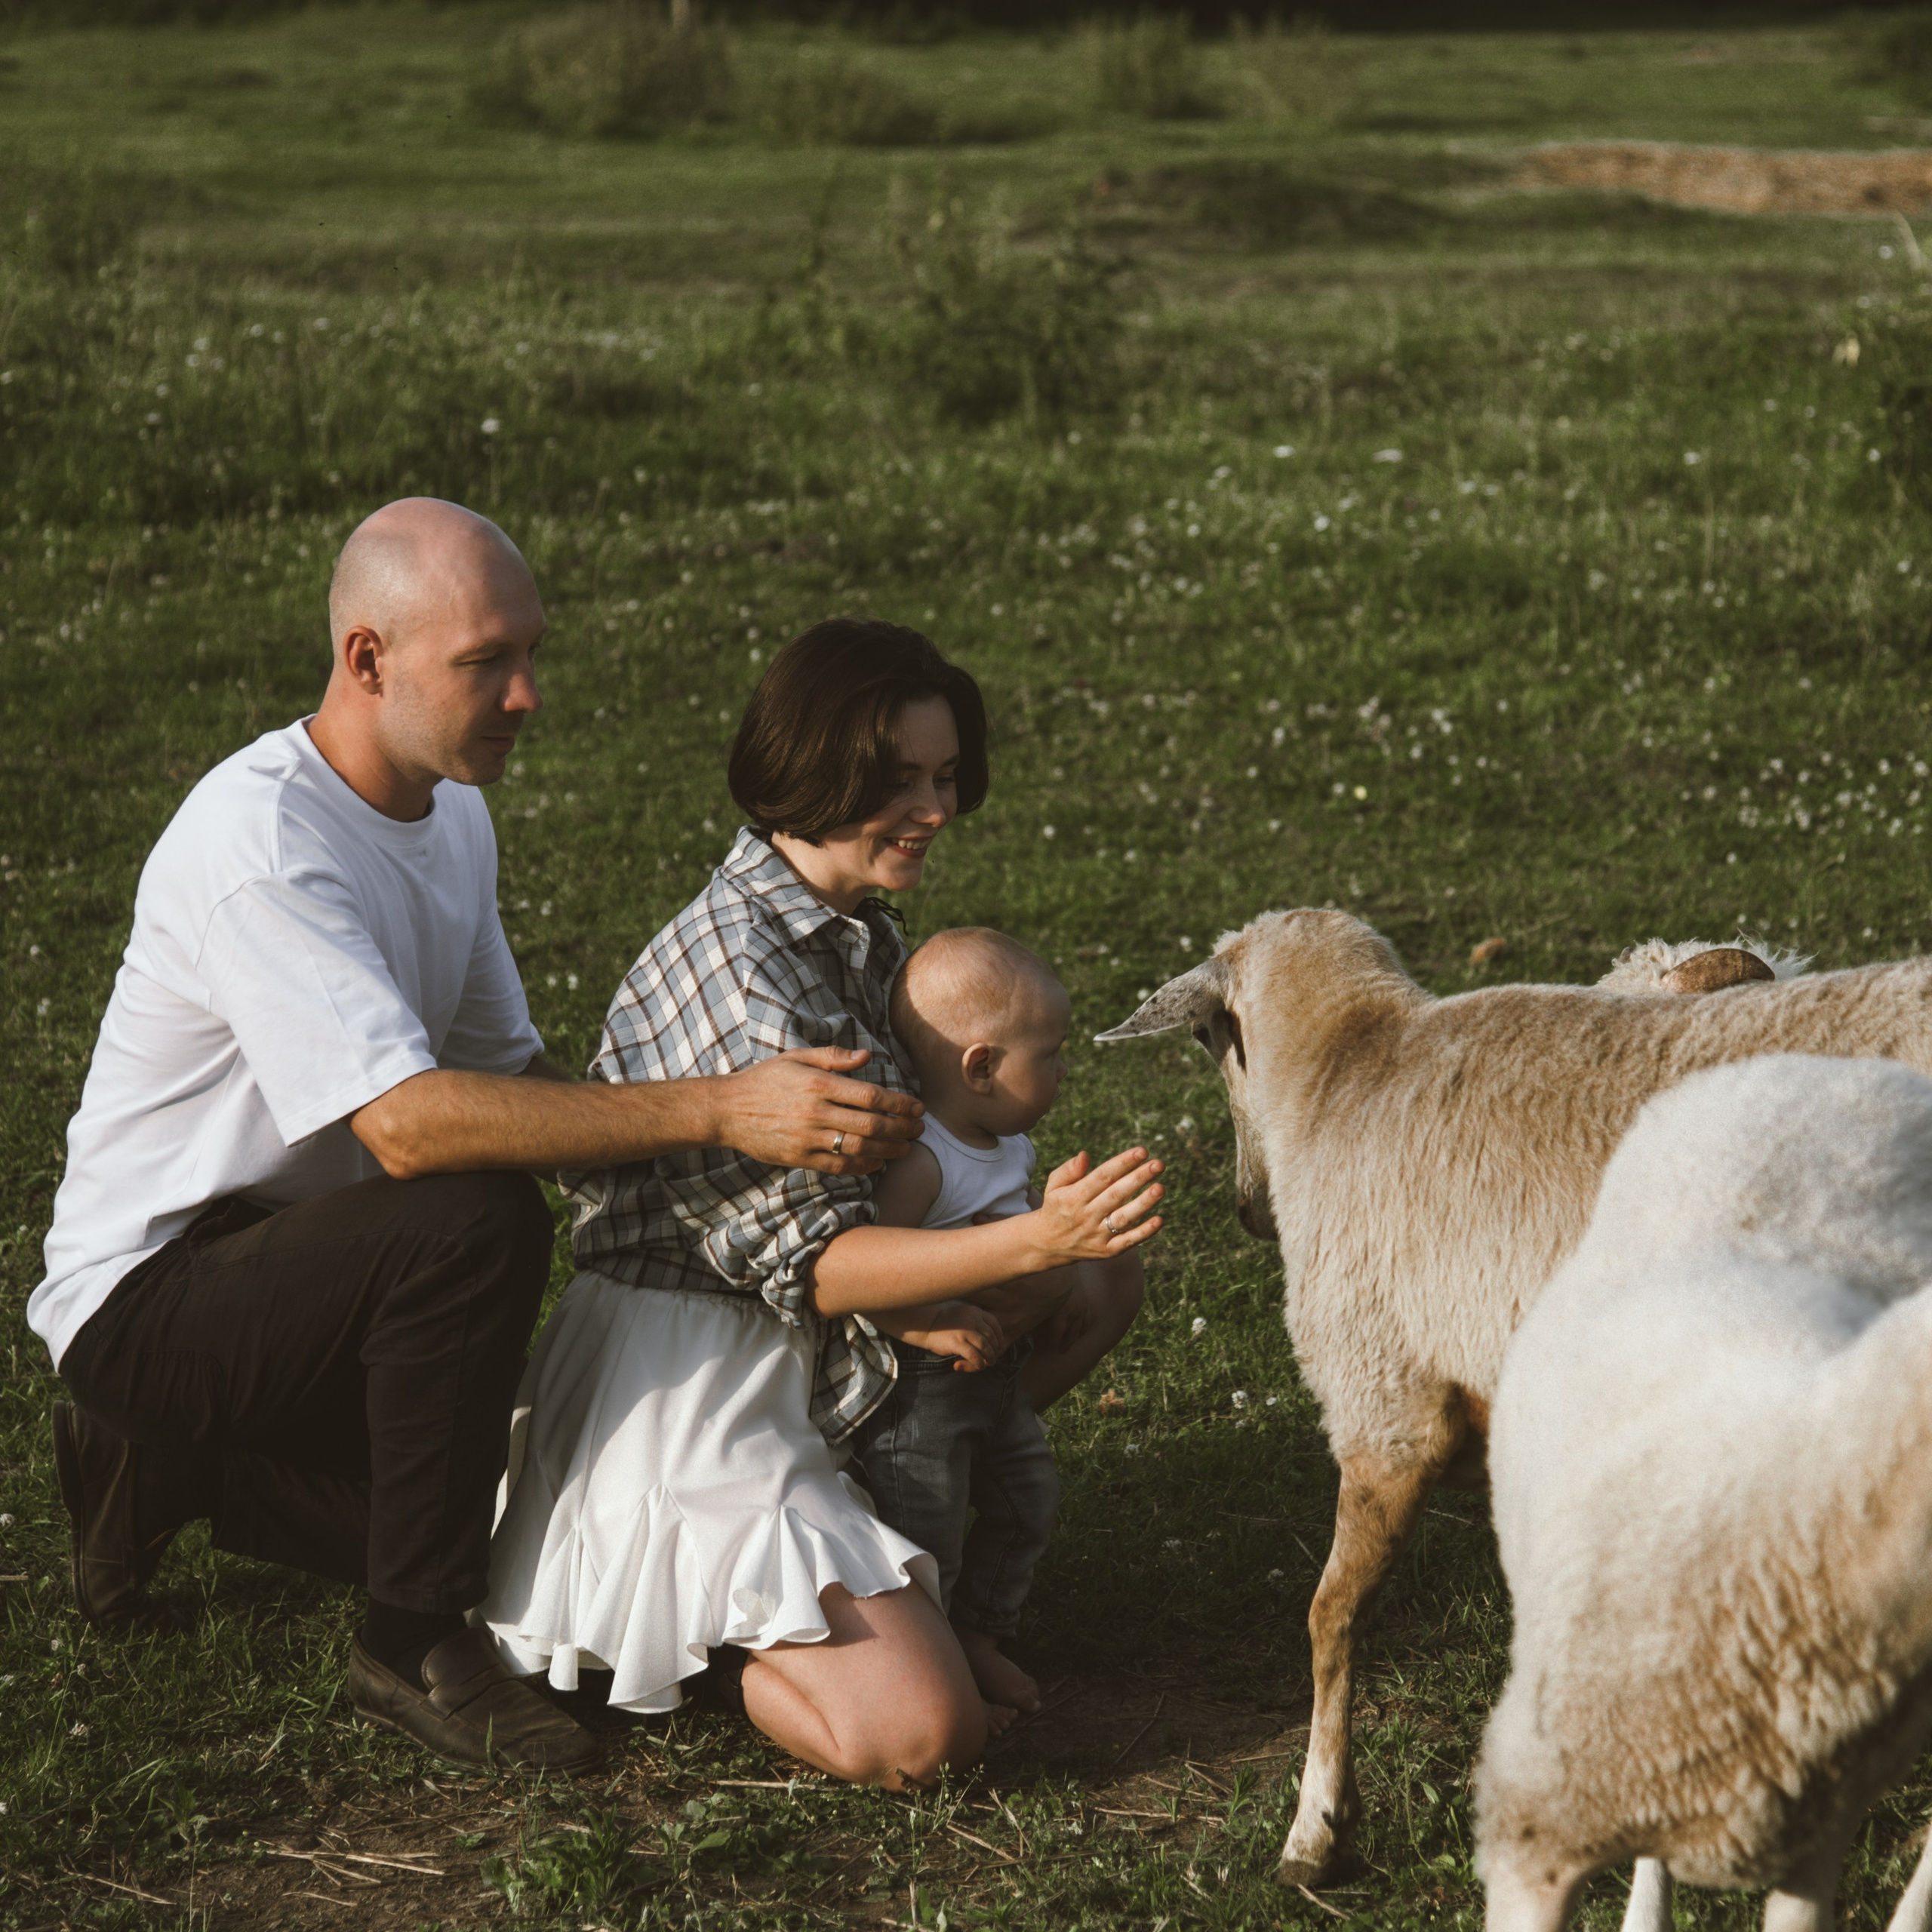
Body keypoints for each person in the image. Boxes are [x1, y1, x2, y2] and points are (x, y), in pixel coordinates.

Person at [29, 499, 923, 1774]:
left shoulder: (450, 813)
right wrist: (727, 1106)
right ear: (368, 661)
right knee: (472, 1216)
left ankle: (164, 1469)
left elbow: (511, 1075)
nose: (528, 695)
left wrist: (729, 1176)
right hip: (160, 1294)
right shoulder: (264, 843)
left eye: (530, 652)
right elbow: (408, 1127)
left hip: (315, 1271)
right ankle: (406, 1642)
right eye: (486, 663)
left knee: (521, 1516)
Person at [479, 617, 1162, 1789]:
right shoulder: (749, 969)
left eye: (946, 778)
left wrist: (1037, 1241)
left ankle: (914, 1562)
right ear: (815, 772)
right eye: (901, 780)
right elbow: (822, 1269)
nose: (936, 807)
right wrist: (1032, 1234)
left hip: (807, 1339)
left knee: (1098, 1281)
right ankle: (718, 1648)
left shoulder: (853, 932)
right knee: (920, 1739)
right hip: (701, 1372)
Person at [851, 925, 1139, 1730]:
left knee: (1027, 1499)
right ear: (980, 1067)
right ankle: (932, 1650)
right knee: (925, 1531)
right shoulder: (922, 1161)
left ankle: (980, 1631)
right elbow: (870, 1267)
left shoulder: (1007, 1143)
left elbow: (1018, 1231)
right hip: (924, 1401)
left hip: (999, 1377)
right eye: (1048, 1054)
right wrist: (922, 1321)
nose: (1062, 1068)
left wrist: (1061, 1287)